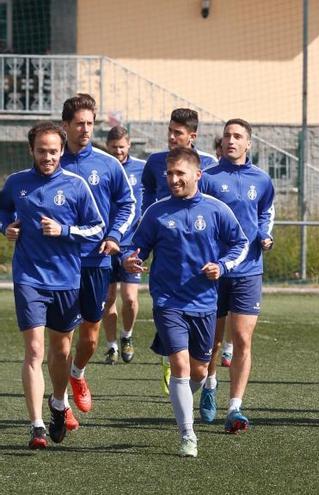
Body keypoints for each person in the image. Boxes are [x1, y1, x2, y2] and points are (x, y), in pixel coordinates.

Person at [124, 147, 248, 457]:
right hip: (168, 300)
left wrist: (222, 265)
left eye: (180, 173)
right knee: (179, 365)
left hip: (205, 302)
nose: (174, 179)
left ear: (197, 175)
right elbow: (136, 248)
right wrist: (131, 260)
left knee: (200, 371)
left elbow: (240, 243)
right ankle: (187, 434)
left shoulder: (217, 210)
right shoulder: (156, 211)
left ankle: (182, 401)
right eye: (170, 174)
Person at [0, 122, 104, 448]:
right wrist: (7, 227)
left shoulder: (75, 186)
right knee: (34, 350)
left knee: (60, 352)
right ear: (31, 150)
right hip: (29, 277)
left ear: (62, 151)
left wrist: (65, 231)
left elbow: (97, 228)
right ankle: (37, 427)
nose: (48, 157)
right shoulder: (17, 183)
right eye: (42, 151)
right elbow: (2, 211)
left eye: (53, 151)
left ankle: (59, 403)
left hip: (66, 280)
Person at [60, 94, 137, 418]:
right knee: (61, 337)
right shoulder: (52, 160)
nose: (85, 130)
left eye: (90, 124)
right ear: (66, 126)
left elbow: (127, 204)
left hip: (96, 261)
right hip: (59, 263)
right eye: (79, 124)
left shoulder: (108, 164)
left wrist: (114, 235)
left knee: (90, 338)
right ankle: (59, 402)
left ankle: (77, 373)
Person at [197, 119, 275, 432]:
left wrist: (266, 235)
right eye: (228, 135)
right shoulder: (208, 178)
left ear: (248, 144)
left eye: (238, 136)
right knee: (212, 343)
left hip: (249, 270)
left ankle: (235, 408)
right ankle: (210, 383)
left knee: (242, 338)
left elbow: (267, 211)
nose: (231, 140)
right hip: (215, 271)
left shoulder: (262, 179)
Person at [140, 108, 218, 393]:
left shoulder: (208, 164)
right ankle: (172, 353)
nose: (172, 137)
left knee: (204, 307)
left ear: (192, 136)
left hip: (200, 242)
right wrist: (147, 213)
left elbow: (214, 200)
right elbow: (147, 189)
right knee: (166, 294)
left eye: (178, 133)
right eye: (170, 131)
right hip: (165, 237)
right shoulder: (154, 162)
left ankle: (202, 375)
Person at [102, 126, 146, 365]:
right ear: (108, 146)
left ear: (129, 146)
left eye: (122, 147)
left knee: (129, 298)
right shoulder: (103, 167)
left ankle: (126, 336)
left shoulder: (141, 168)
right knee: (108, 298)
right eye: (114, 147)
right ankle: (111, 346)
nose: (118, 151)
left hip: (131, 243)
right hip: (106, 242)